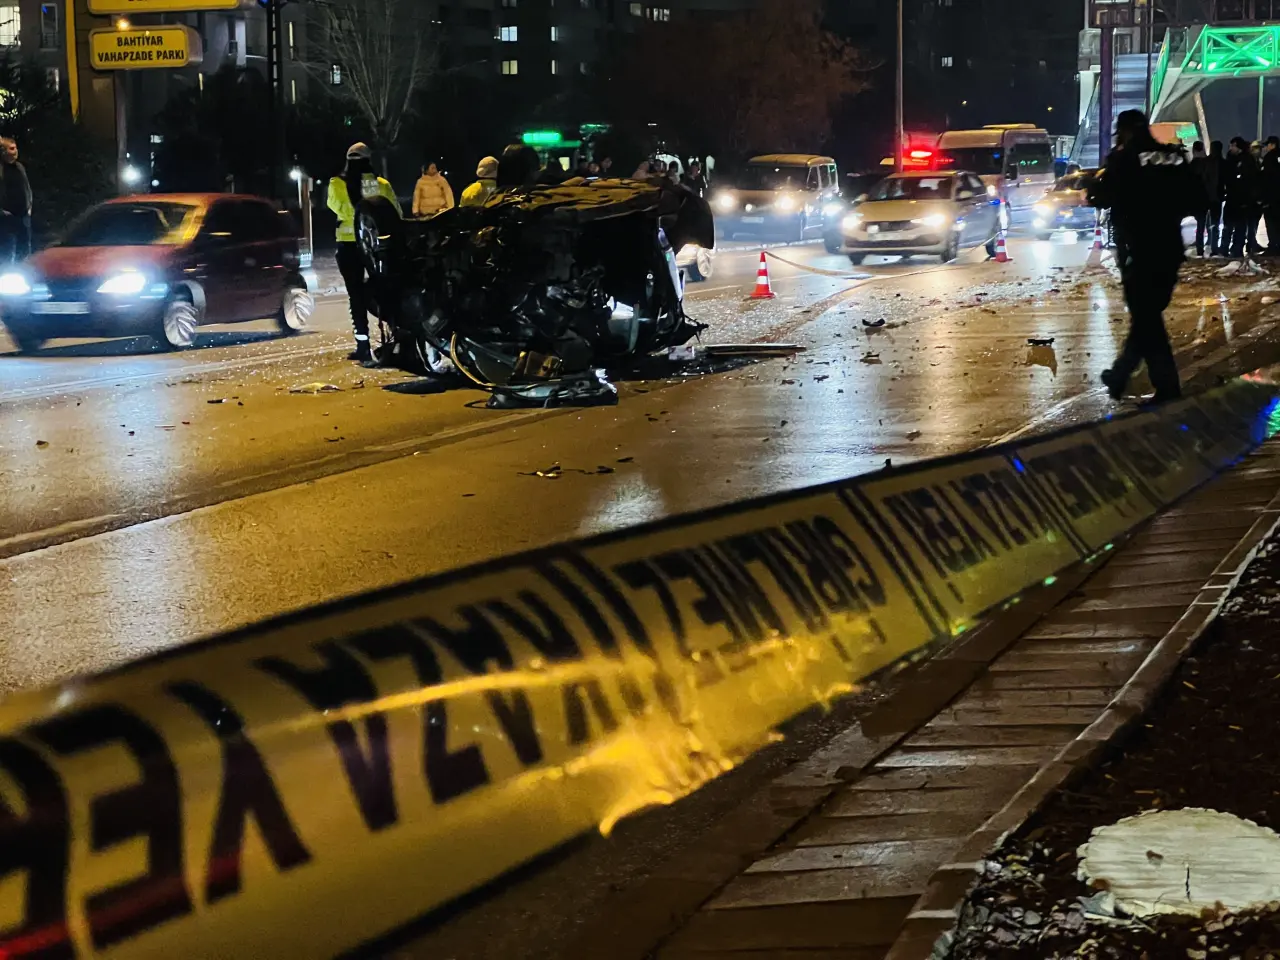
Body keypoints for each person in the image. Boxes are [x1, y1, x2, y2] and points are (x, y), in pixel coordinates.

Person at [1091, 110, 1202, 406]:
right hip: (1169, 248)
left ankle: (1161, 385)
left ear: (1124, 132)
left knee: (1146, 317)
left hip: (1140, 249)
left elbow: (1098, 196)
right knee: (1147, 316)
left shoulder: (1124, 160)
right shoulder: (1174, 157)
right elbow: (1198, 197)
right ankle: (1121, 375)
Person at [327, 142, 400, 364]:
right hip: (377, 247)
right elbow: (396, 211)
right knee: (386, 292)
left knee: (356, 296)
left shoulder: (337, 183)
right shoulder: (382, 185)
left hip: (349, 245)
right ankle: (395, 340)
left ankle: (363, 345)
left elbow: (335, 207)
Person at [1222, 137, 1258, 258]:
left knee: (1239, 227)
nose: (1231, 148)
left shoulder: (1246, 160)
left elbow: (1249, 180)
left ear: (1238, 147)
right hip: (1234, 198)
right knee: (1232, 226)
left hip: (1241, 199)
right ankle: (1227, 249)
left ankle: (1235, 249)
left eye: (1233, 146)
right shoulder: (1231, 159)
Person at [0, 138, 31, 263]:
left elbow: (26, 187)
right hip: (6, 219)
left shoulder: (19, 167)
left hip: (23, 217)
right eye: (11, 148)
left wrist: (29, 206)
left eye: (16, 148)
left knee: (24, 250)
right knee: (7, 252)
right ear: (3, 151)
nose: (15, 151)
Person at [1190, 141, 1222, 257]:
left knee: (1200, 225)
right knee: (1213, 224)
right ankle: (1213, 247)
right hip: (1211, 197)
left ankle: (1199, 250)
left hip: (1199, 199)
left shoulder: (1191, 165)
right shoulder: (1209, 163)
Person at [1263, 136, 1280, 254]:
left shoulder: (1269, 158)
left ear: (1273, 145)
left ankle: (1273, 246)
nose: (1266, 147)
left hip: (1272, 195)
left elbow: (1266, 178)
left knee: (1271, 221)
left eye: (1268, 145)